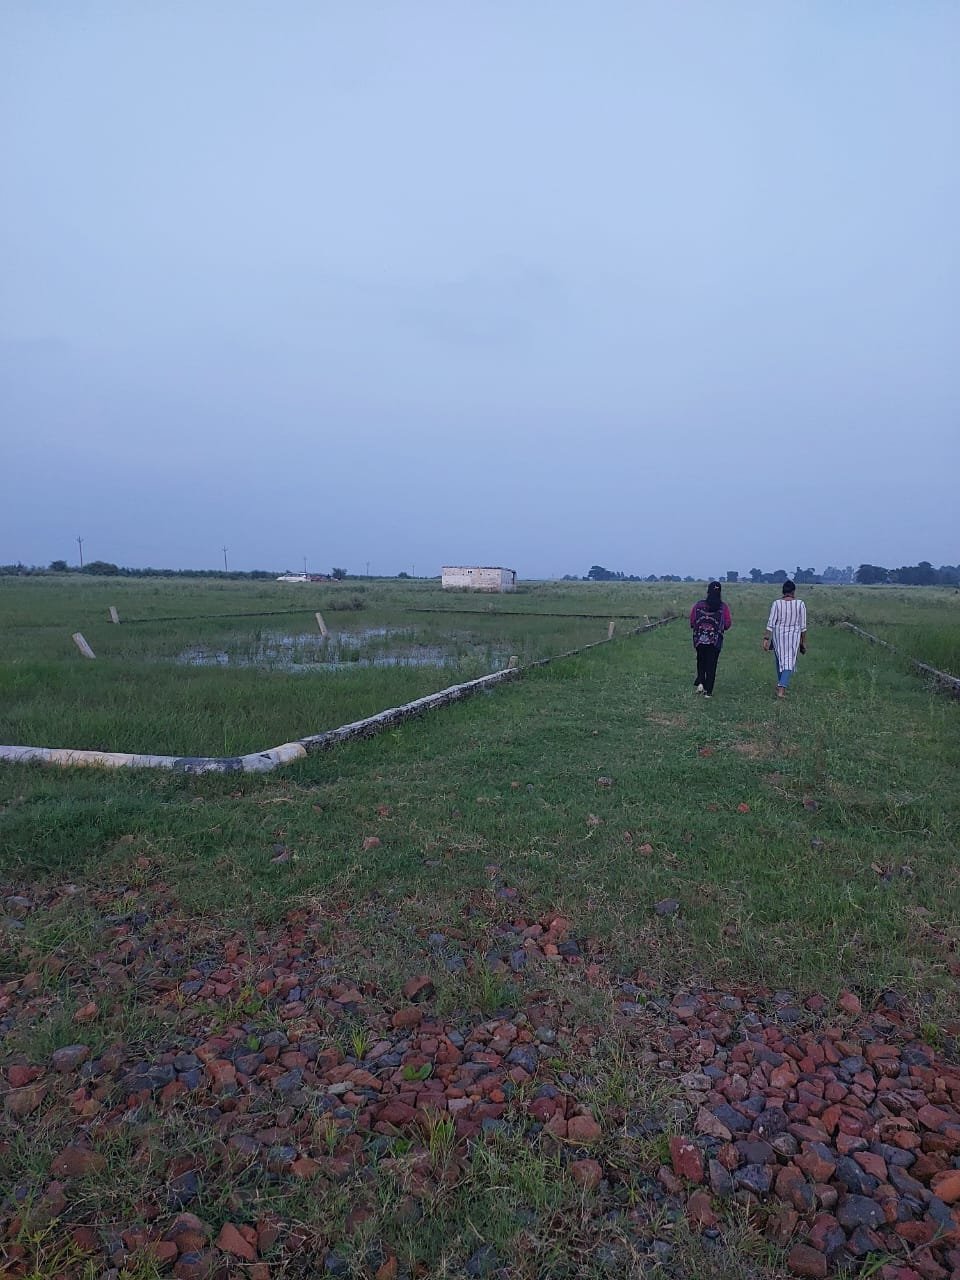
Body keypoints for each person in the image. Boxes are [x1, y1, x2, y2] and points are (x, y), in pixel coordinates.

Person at [763, 580, 807, 699]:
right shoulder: (800, 604)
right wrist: (803, 642)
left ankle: (780, 684)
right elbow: (803, 626)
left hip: (778, 636)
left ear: (783, 591)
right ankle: (781, 688)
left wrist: (766, 638)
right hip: (794, 636)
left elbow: (771, 623)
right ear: (793, 591)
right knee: (789, 662)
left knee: (780, 660)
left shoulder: (776, 603)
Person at [689, 581, 732, 697]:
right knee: (712, 664)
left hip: (700, 639)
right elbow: (727, 624)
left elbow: (692, 621)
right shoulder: (723, 607)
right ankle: (708, 691)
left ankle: (701, 683)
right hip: (715, 641)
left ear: (708, 591)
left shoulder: (698, 605)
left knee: (701, 661)